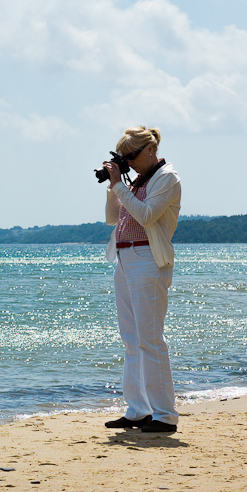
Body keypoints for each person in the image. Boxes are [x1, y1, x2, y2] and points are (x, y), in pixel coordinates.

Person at [101, 126, 181, 434]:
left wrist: (121, 187)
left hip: (149, 260)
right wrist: (114, 186)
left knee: (150, 338)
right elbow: (113, 218)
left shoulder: (167, 178)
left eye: (131, 156)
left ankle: (165, 414)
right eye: (124, 157)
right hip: (125, 259)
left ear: (150, 150)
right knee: (132, 340)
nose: (129, 162)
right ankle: (138, 410)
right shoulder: (136, 181)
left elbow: (147, 216)